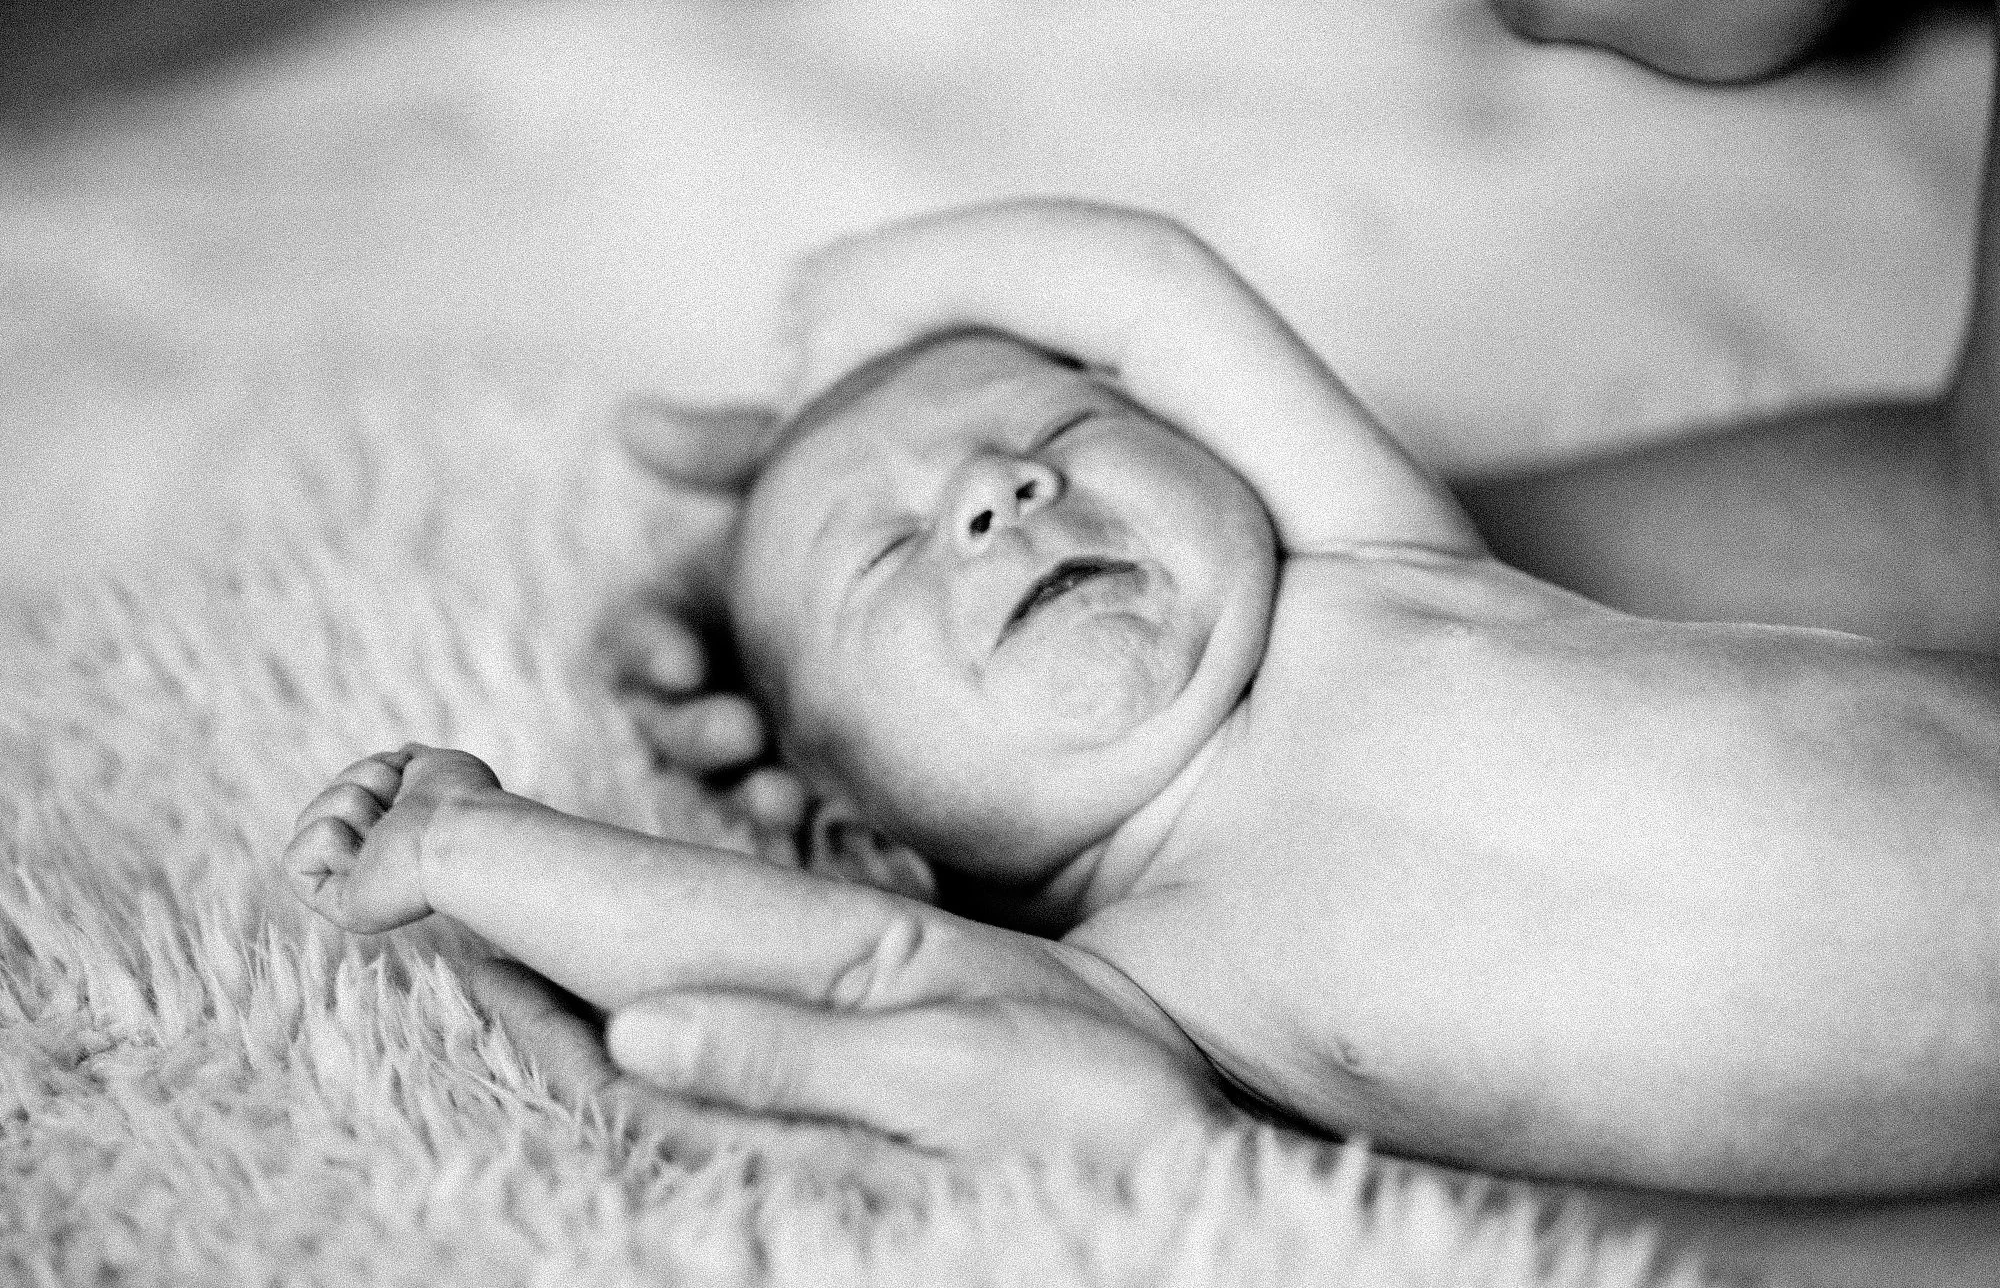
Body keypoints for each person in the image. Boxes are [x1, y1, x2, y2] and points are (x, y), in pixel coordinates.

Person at [293, 197, 2000, 1202]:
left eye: (1054, 438)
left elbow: (1149, 281)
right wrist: (474, 848)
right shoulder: (1145, 994)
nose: (991, 495)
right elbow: (815, 964)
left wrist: (860, 304)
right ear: (855, 835)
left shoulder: (1378, 568)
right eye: (886, 553)